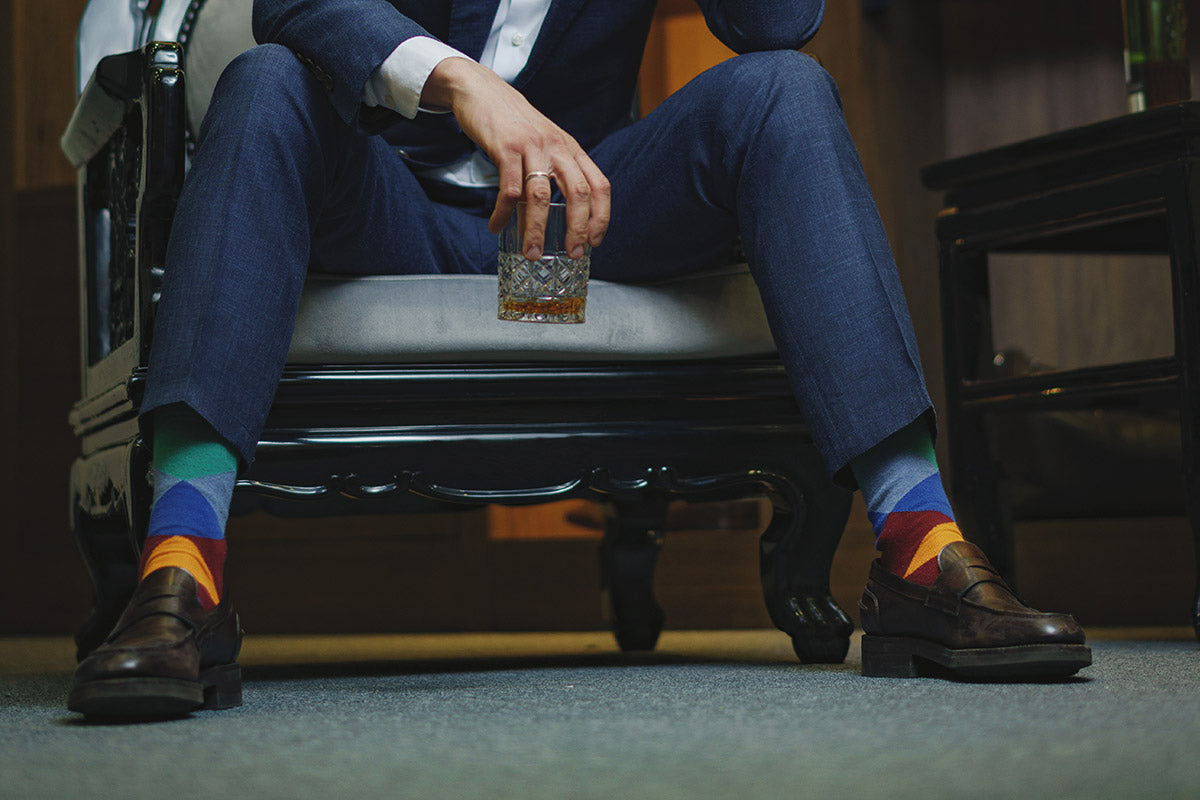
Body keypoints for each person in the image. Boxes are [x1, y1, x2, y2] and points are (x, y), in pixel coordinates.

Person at [67, 0, 1090, 719]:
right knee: (267, 80)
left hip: (564, 242)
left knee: (784, 89)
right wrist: (463, 85)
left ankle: (919, 549)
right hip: (394, 215)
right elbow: (298, 1)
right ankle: (182, 572)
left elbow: (772, 24)